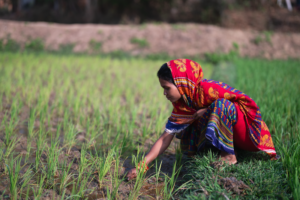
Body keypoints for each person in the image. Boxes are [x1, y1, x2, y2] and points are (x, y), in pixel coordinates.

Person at [126, 59, 277, 180]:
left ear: (181, 83)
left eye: (167, 88)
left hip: (245, 134)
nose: (164, 93)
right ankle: (213, 151)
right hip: (229, 133)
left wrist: (207, 110)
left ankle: (229, 156)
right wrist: (142, 166)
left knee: (220, 105)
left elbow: (244, 103)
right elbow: (165, 138)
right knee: (186, 121)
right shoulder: (182, 106)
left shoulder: (208, 88)